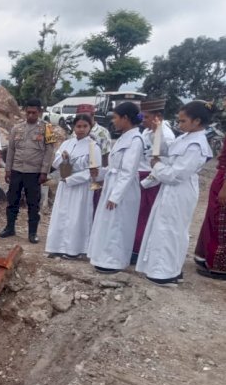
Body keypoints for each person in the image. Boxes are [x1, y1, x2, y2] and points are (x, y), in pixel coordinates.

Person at [136, 101, 214, 284]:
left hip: (181, 190)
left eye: (183, 121)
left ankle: (166, 272)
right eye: (178, 121)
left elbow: (176, 174)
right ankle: (160, 269)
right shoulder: (184, 138)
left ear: (197, 121)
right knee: (162, 227)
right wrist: (157, 138)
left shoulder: (197, 145)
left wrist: (157, 166)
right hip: (170, 189)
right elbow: (167, 154)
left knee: (172, 229)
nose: (179, 125)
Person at [87, 102, 145, 274]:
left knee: (117, 225)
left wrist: (115, 196)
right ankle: (103, 257)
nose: (113, 121)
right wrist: (99, 173)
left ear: (125, 118)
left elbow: (128, 171)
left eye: (115, 117)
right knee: (107, 224)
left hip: (123, 190)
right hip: (113, 184)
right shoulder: (123, 137)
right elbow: (113, 167)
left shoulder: (135, 140)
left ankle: (114, 261)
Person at [0, 98, 57, 243]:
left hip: (34, 172)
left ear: (39, 112)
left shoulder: (47, 128)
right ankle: (10, 227)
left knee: (33, 203)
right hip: (17, 170)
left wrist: (44, 172)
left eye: (34, 112)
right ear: (25, 111)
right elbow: (11, 150)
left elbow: (49, 152)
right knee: (12, 200)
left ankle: (32, 233)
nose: (31, 115)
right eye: (28, 112)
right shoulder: (16, 128)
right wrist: (8, 170)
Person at [45, 114, 96, 259]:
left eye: (84, 126)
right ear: (73, 127)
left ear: (89, 127)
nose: (81, 130)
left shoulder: (92, 146)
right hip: (65, 184)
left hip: (80, 186)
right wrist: (64, 158)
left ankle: (75, 249)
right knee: (61, 215)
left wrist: (73, 178)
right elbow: (55, 163)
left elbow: (93, 170)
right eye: (78, 126)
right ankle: (57, 246)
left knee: (76, 217)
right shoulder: (67, 143)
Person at [132, 99, 177, 262]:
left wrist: (145, 183)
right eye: (142, 118)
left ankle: (141, 251)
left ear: (157, 117)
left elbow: (165, 165)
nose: (143, 121)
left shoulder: (167, 137)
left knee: (146, 217)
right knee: (136, 216)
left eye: (146, 117)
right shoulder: (146, 132)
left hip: (152, 182)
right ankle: (134, 247)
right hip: (140, 178)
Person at [195, 139, 226, 280]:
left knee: (220, 221)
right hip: (221, 178)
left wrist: (225, 189)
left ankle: (220, 266)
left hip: (224, 183)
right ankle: (208, 257)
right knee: (213, 219)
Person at [73, 104, 112, 214]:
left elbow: (105, 155)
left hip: (94, 174)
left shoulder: (102, 132)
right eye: (79, 116)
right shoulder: (75, 132)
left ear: (92, 115)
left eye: (85, 116)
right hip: (78, 176)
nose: (82, 119)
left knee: (93, 206)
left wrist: (101, 178)